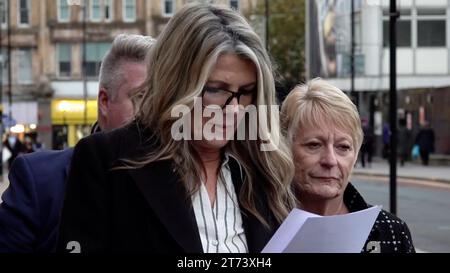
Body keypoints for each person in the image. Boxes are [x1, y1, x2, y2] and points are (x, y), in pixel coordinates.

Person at [57, 3, 296, 253]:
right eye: (216, 89)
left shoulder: (267, 170)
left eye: (246, 92)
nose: (234, 109)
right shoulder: (104, 160)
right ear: (176, 82)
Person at [0, 34, 155, 253]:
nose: (153, 114)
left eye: (161, 102)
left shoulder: (184, 186)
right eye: (141, 98)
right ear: (104, 101)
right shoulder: (39, 181)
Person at [281, 78, 415, 253]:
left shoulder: (391, 233)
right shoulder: (253, 227)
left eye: (343, 147)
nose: (330, 160)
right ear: (284, 148)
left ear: (356, 154)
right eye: (314, 145)